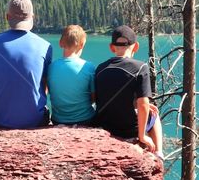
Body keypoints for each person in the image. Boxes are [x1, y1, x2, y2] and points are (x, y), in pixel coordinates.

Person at [94, 24, 164, 158]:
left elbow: (103, 97)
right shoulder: (140, 68)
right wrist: (142, 136)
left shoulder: (100, 68)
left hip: (104, 126)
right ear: (136, 46)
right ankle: (159, 153)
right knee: (154, 115)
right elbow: (143, 104)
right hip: (128, 130)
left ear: (111, 47)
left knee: (147, 108)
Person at [0, 0, 51, 129]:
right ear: (32, 16)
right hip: (34, 120)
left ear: (7, 17)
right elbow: (44, 87)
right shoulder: (45, 46)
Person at [47, 25, 96, 125]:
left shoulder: (51, 67)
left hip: (58, 120)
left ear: (60, 43)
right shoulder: (89, 67)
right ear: (82, 44)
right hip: (85, 120)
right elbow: (94, 97)